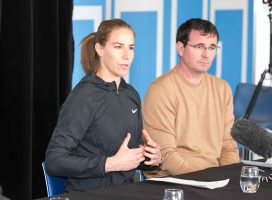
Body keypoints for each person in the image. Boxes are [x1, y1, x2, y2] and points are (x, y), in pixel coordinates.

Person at [45, 19, 162, 192]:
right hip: (89, 195)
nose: (126, 55)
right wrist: (110, 164)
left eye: (131, 47)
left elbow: (132, 155)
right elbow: (54, 161)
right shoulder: (83, 97)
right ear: (100, 49)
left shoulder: (131, 94)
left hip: (128, 192)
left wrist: (152, 158)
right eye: (118, 46)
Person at [142, 18, 240, 178]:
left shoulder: (222, 88)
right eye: (199, 46)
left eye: (212, 47)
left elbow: (228, 146)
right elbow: (166, 155)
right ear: (180, 48)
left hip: (214, 180)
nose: (206, 54)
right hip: (173, 182)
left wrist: (229, 178)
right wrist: (205, 181)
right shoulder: (161, 90)